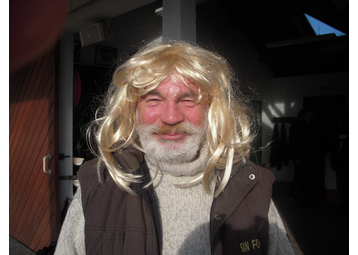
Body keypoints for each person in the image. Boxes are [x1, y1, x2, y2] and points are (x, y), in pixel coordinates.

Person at [54, 42, 294, 255]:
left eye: (188, 100)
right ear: (132, 109)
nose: (170, 117)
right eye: (154, 99)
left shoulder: (250, 187)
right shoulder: (99, 184)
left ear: (211, 109)